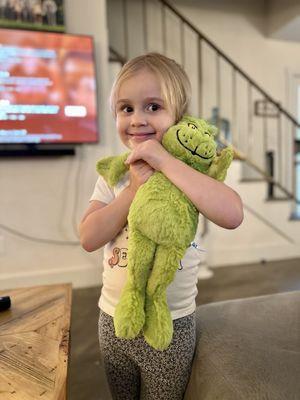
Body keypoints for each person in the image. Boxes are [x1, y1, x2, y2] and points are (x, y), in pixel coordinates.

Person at [79, 53, 244, 400]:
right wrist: (133, 190)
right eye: (126, 108)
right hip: (112, 318)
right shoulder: (115, 174)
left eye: (153, 107)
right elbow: (89, 237)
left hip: (172, 323)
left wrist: (165, 162)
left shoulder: (189, 175)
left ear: (179, 116)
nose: (137, 119)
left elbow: (232, 214)